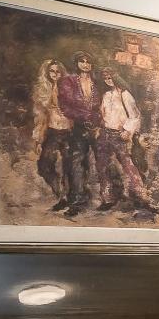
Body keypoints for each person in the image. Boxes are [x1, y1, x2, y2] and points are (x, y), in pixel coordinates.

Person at [94, 65, 159, 215]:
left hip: (119, 134)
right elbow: (103, 115)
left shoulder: (125, 95)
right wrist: (100, 127)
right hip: (105, 134)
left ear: (116, 77)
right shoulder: (106, 95)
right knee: (102, 166)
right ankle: (107, 198)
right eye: (105, 78)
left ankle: (142, 198)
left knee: (128, 166)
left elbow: (135, 116)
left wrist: (127, 131)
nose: (108, 80)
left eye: (110, 77)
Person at [56, 52, 103, 214]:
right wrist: (84, 116)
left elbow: (101, 106)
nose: (85, 64)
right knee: (76, 161)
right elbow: (65, 105)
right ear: (76, 63)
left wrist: (96, 121)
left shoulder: (97, 83)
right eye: (82, 61)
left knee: (99, 161)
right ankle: (76, 199)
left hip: (96, 127)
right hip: (77, 126)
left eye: (88, 62)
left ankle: (105, 197)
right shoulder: (68, 81)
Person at [29, 58, 71, 210]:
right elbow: (40, 118)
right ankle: (60, 193)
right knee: (44, 165)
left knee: (68, 166)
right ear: (47, 73)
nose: (55, 74)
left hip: (69, 131)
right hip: (52, 131)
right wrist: (39, 140)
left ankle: (67, 197)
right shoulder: (42, 90)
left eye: (58, 71)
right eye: (52, 71)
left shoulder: (69, 88)